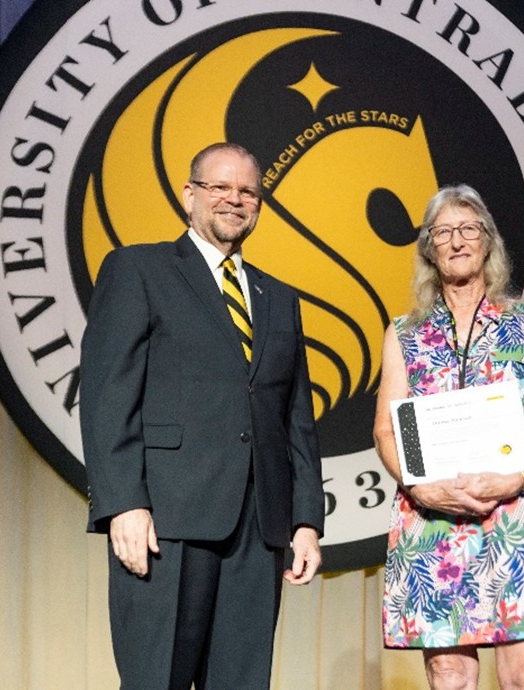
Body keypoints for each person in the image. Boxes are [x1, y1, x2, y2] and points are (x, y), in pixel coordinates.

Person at [80, 142, 325, 689]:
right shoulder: (137, 269)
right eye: (220, 187)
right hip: (165, 524)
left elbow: (295, 420)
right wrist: (123, 504)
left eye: (247, 192)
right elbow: (106, 398)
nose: (234, 201)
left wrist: (306, 521)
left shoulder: (278, 296)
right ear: (190, 195)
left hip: (258, 529)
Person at [373, 184, 524, 689]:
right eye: (443, 232)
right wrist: (421, 487)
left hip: (512, 510)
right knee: (450, 674)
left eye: (468, 229)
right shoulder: (404, 333)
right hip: (431, 516)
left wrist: (515, 475)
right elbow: (388, 429)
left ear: (487, 241)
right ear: (428, 249)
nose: (457, 241)